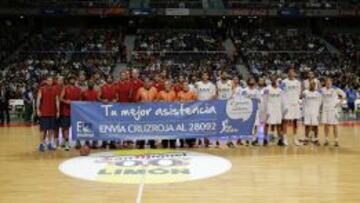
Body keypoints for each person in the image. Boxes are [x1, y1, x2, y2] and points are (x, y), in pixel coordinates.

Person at [320, 77, 346, 147]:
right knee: (326, 125)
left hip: (333, 110)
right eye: (327, 82)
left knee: (335, 125)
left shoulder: (336, 89)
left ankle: (336, 140)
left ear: (331, 82)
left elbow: (344, 95)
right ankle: (326, 140)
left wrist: (339, 103)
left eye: (329, 82)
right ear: (325, 83)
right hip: (325, 109)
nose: (328, 83)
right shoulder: (322, 90)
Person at [36, 76, 59, 152]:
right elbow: (38, 99)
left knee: (51, 130)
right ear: (46, 81)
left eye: (51, 80)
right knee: (43, 130)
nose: (49, 82)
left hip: (52, 113)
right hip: (44, 113)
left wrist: (58, 111)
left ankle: (49, 143)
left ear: (52, 82)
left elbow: (57, 100)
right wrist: (38, 110)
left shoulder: (55, 89)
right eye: (48, 80)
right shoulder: (42, 89)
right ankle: (42, 144)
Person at [60, 76, 82, 151]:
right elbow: (60, 98)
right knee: (66, 127)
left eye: (73, 79)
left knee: (77, 127)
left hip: (75, 111)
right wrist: (66, 101)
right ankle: (67, 143)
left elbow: (80, 100)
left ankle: (78, 142)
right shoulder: (65, 88)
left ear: (75, 80)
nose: (72, 80)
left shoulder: (78, 89)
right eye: (71, 79)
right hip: (66, 111)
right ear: (69, 81)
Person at [280, 67, 302, 146]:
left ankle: (295, 139)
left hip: (295, 104)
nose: (291, 73)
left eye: (293, 72)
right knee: (285, 121)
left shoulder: (298, 82)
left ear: (295, 73)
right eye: (290, 72)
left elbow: (299, 93)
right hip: (287, 104)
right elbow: (281, 92)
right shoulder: (283, 82)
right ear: (288, 73)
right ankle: (285, 138)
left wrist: (295, 101)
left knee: (295, 122)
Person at [195, 72, 217, 147]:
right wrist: (199, 103)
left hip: (208, 107)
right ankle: (199, 140)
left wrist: (207, 102)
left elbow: (214, 95)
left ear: (208, 76)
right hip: (199, 107)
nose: (205, 76)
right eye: (203, 75)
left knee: (207, 124)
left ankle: (206, 139)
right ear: (201, 76)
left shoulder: (212, 85)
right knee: (199, 123)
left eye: (206, 75)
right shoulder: (198, 84)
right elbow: (195, 94)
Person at [135, 77, 158, 149]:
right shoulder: (140, 90)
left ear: (150, 83)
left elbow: (157, 99)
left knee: (151, 128)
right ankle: (141, 144)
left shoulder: (154, 89)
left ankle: (152, 143)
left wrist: (155, 102)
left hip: (152, 112)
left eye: (148, 82)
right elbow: (136, 100)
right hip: (143, 112)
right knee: (143, 128)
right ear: (143, 83)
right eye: (145, 82)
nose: (147, 84)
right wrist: (140, 102)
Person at [98, 75, 118, 149]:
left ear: (112, 79)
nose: (109, 79)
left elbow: (117, 97)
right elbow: (98, 97)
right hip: (104, 109)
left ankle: (113, 142)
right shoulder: (102, 87)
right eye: (108, 78)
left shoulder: (115, 87)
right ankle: (104, 142)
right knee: (104, 125)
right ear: (106, 79)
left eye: (110, 78)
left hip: (113, 109)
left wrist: (115, 100)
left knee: (112, 125)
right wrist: (102, 100)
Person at [263, 75, 284, 146]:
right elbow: (264, 100)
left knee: (278, 125)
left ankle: (280, 140)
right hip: (269, 109)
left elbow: (282, 101)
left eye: (275, 79)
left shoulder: (280, 90)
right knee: (267, 124)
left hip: (277, 110)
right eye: (272, 79)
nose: (274, 80)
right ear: (271, 80)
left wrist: (282, 110)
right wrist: (266, 110)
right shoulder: (267, 89)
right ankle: (265, 140)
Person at [177, 81, 197, 148]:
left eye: (186, 85)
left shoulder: (192, 93)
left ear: (188, 86)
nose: (185, 87)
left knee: (189, 128)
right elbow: (175, 103)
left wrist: (191, 102)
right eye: (184, 85)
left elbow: (197, 102)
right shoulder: (179, 93)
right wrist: (179, 102)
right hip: (182, 114)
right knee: (181, 128)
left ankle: (190, 142)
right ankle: (181, 142)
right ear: (182, 86)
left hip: (190, 114)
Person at [157, 80, 177, 148]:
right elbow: (156, 103)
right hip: (163, 116)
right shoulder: (160, 93)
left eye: (168, 84)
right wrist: (160, 102)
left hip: (172, 116)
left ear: (170, 85)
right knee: (164, 130)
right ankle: (164, 144)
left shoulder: (173, 93)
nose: (167, 86)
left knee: (172, 130)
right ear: (164, 86)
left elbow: (176, 104)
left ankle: (172, 144)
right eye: (165, 85)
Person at [216, 71, 233, 147]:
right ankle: (217, 141)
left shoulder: (231, 82)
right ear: (221, 75)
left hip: (229, 104)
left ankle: (229, 141)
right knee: (219, 122)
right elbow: (216, 93)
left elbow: (234, 92)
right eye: (223, 74)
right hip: (220, 104)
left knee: (230, 122)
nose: (225, 75)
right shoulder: (217, 83)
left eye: (226, 74)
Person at [242, 77, 261, 145]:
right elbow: (242, 100)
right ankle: (247, 139)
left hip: (255, 110)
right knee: (248, 125)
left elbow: (260, 100)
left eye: (253, 80)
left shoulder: (257, 91)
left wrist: (255, 99)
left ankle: (254, 139)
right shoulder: (244, 90)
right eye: (251, 80)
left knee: (256, 125)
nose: (252, 81)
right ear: (248, 81)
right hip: (247, 111)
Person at [302, 81, 322, 146]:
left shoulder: (318, 94)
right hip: (307, 112)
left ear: (315, 85)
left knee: (315, 126)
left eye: (313, 84)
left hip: (315, 112)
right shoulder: (305, 92)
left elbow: (320, 103)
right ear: (309, 85)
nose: (312, 85)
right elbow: (301, 100)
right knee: (307, 126)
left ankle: (316, 139)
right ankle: (306, 139)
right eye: (311, 84)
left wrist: (319, 112)